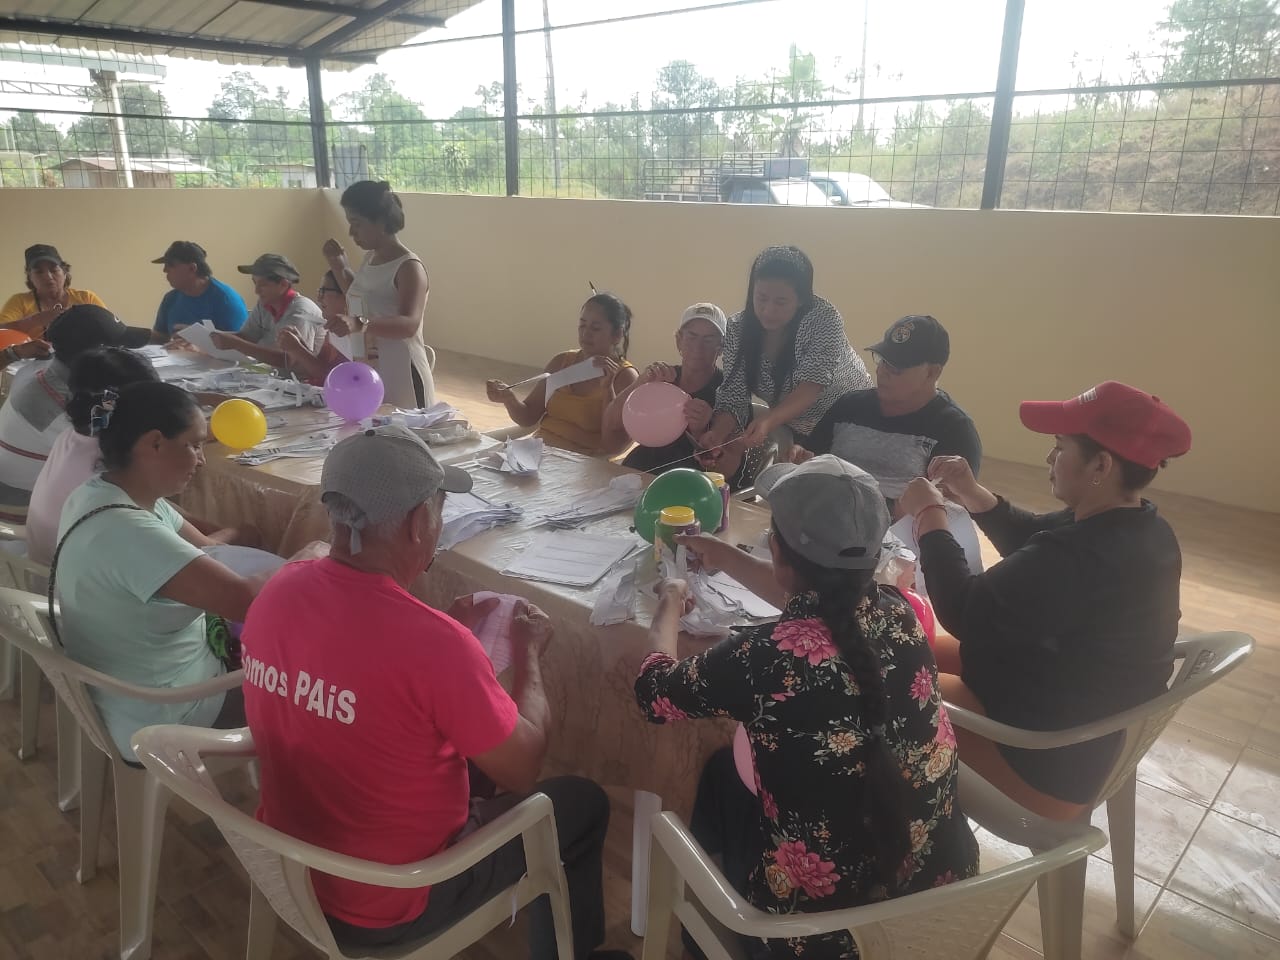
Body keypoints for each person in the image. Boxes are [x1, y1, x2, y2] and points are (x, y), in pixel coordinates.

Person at [241, 426, 628, 960]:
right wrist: (529, 655)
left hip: (288, 865)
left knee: (469, 752)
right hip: (391, 900)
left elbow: (363, 676)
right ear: (420, 521)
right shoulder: (435, 645)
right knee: (581, 802)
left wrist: (445, 637)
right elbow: (523, 766)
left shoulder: (280, 587)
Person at [635, 456, 978, 960]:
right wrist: (725, 556)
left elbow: (654, 693)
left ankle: (707, 937)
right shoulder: (898, 611)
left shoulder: (761, 657)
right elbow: (822, 601)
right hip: (940, 909)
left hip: (817, 939)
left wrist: (669, 601)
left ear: (777, 551)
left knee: (717, 781)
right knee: (723, 774)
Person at [895, 381, 1192, 821]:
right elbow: (1034, 536)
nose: (1050, 459)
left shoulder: (1081, 555)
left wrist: (928, 515)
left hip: (1042, 762)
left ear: (1101, 464)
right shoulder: (1139, 525)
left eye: (1060, 447)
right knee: (902, 645)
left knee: (884, 681)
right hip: (1072, 719)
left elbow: (964, 610)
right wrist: (971, 493)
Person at [50, 381, 309, 761]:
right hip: (167, 712)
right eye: (194, 445)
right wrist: (309, 557)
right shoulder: (129, 531)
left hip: (127, 692)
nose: (201, 460)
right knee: (322, 687)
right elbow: (247, 601)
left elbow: (207, 550)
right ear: (154, 443)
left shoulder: (103, 493)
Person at [695, 246, 870, 483]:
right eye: (761, 298)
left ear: (801, 299)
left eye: (781, 302)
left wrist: (768, 421)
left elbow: (812, 384)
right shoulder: (738, 328)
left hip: (849, 423)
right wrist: (717, 434)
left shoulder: (824, 318)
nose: (768, 310)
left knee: (843, 487)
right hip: (793, 426)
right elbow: (734, 393)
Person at [797, 315, 981, 508]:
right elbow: (811, 455)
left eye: (896, 368)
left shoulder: (954, 429)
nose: (881, 372)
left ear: (932, 372)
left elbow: (953, 508)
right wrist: (801, 457)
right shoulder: (849, 405)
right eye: (883, 361)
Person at [0, 304, 151, 523]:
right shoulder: (69, 409)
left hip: (15, 485)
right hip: (28, 506)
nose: (125, 355)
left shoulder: (33, 370)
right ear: (96, 358)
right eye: (119, 350)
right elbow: (123, 458)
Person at [321, 181, 435, 408]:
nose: (351, 232)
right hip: (371, 369)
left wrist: (358, 323)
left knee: (402, 427)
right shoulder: (371, 259)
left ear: (381, 222)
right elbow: (364, 299)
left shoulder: (409, 267)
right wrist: (339, 266)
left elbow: (409, 324)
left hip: (402, 372)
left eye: (357, 224)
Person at [485, 292, 639, 457]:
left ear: (617, 335)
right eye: (582, 325)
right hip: (536, 453)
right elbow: (528, 417)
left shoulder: (625, 377)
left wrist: (608, 389)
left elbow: (614, 446)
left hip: (584, 462)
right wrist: (509, 399)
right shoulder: (561, 362)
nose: (586, 333)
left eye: (595, 328)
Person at [606, 302, 738, 478]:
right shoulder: (661, 378)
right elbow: (611, 424)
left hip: (688, 482)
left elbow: (727, 471)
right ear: (678, 340)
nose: (698, 346)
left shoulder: (731, 392)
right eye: (691, 336)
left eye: (708, 339)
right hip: (639, 471)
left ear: (721, 347)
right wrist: (640, 382)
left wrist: (701, 431)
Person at [207, 253, 324, 365]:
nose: (256, 291)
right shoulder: (264, 304)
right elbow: (247, 337)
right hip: (269, 373)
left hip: (297, 378)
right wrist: (212, 338)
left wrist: (237, 344)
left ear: (283, 284)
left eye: (263, 284)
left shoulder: (301, 311)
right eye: (255, 283)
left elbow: (288, 360)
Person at [0, 244, 107, 337]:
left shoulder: (86, 297)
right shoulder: (19, 301)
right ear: (30, 277)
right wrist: (35, 320)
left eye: (54, 270)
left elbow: (110, 327)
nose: (48, 276)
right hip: (35, 354)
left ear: (65, 273)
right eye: (39, 272)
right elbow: (1, 332)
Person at [151, 241, 248, 343]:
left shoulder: (227, 300)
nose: (165, 270)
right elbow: (161, 336)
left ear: (192, 268)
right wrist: (141, 335)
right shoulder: (170, 298)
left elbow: (240, 345)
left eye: (170, 265)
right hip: (176, 353)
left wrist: (197, 338)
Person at [277, 270, 348, 386]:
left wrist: (297, 349)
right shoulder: (331, 329)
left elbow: (332, 377)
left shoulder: (353, 333)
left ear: (345, 296)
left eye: (324, 291)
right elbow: (318, 368)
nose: (319, 298)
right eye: (319, 291)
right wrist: (300, 344)